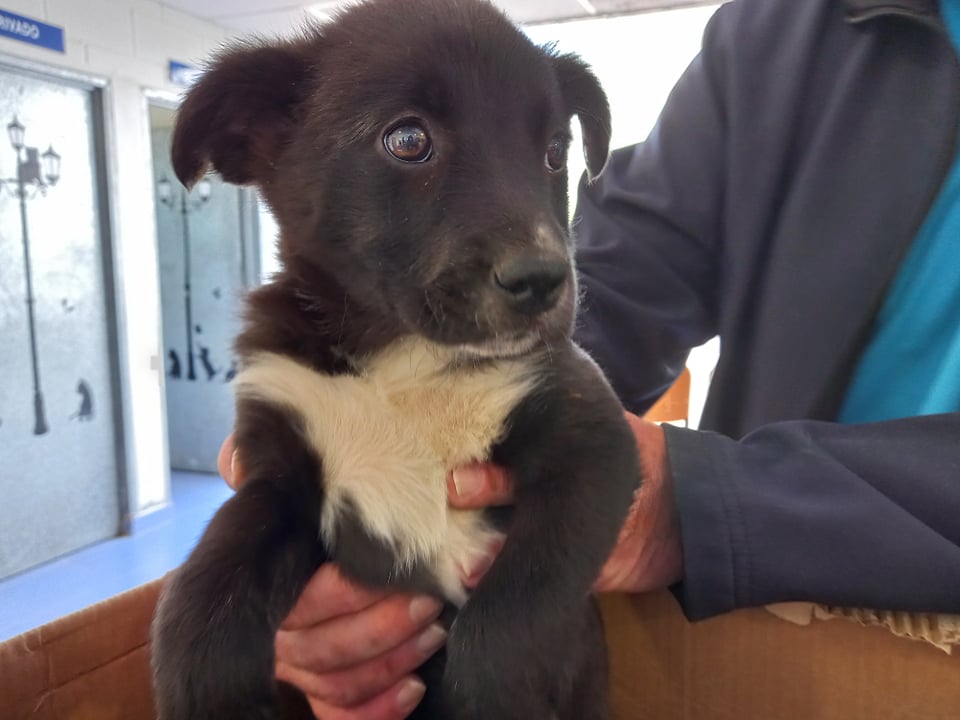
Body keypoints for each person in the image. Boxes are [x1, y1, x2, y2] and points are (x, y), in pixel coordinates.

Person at [219, 0, 960, 716]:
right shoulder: (793, 27)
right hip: (772, 625)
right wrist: (381, 427)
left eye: (550, 153)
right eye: (409, 141)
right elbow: (627, 276)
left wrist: (714, 505)